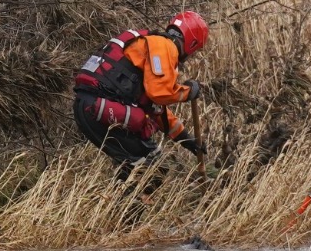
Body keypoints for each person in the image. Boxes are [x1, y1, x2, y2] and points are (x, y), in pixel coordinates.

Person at [73, 10, 209, 166]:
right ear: (192, 43)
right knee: (153, 167)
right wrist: (188, 91)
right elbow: (160, 94)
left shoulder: (150, 43)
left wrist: (186, 139)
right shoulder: (165, 46)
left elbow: (156, 109)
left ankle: (125, 186)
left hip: (88, 107)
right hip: (99, 107)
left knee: (135, 164)